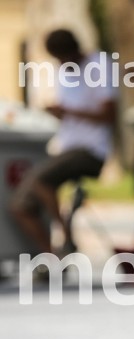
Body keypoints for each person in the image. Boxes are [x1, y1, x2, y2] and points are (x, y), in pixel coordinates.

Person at [10, 29, 116, 255]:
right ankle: (53, 256)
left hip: (89, 148)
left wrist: (69, 112)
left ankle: (66, 236)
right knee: (20, 205)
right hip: (65, 146)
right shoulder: (63, 72)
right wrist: (58, 112)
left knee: (40, 179)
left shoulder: (99, 64)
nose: (61, 63)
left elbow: (109, 115)